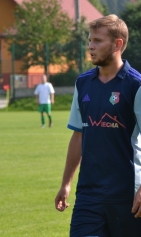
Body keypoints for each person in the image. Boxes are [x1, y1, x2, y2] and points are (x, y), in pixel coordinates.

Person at [54, 14, 141, 236]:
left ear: (117, 44)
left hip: (128, 196)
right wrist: (66, 183)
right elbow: (78, 136)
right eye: (90, 40)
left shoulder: (135, 85)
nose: (91, 46)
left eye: (98, 41)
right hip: (88, 195)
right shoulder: (83, 83)